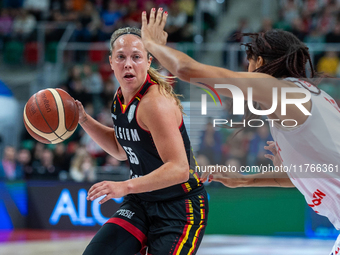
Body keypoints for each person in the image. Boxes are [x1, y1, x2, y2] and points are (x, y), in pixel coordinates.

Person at [141, 8, 340, 254]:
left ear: (260, 62)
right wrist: (247, 179)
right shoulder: (317, 98)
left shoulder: (277, 89)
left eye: (249, 61)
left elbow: (187, 70)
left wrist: (151, 43)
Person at [76, 26, 208, 255]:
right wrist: (84, 119)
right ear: (111, 62)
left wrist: (124, 186)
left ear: (148, 61)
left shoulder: (154, 103)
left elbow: (179, 169)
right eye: (121, 57)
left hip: (179, 207)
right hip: (141, 202)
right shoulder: (119, 99)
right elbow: (121, 149)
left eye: (136, 57)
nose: (128, 64)